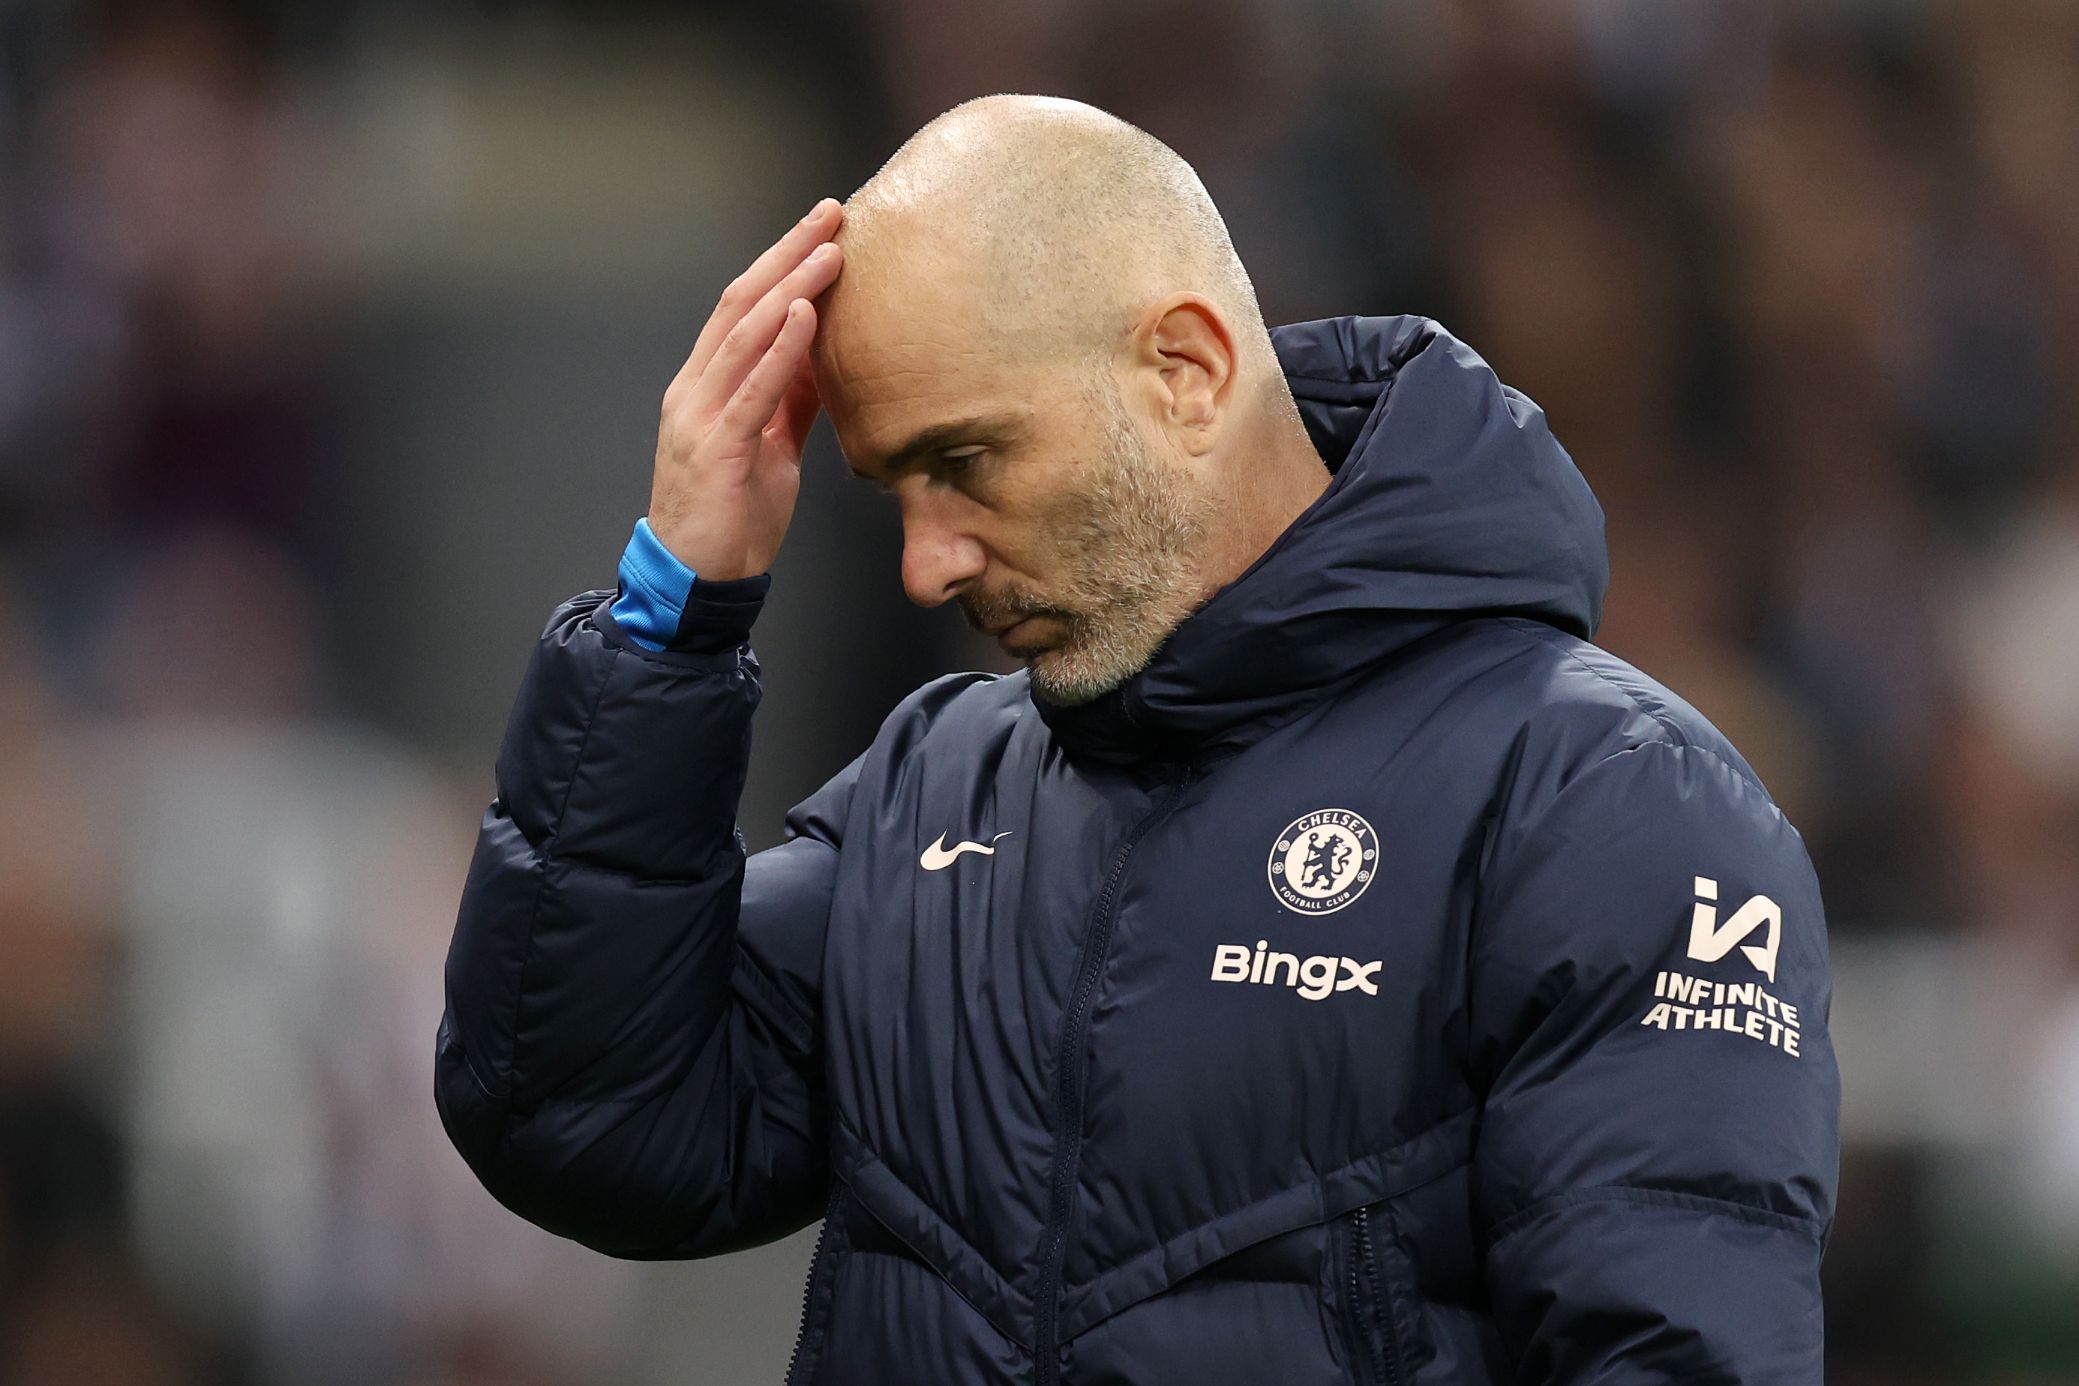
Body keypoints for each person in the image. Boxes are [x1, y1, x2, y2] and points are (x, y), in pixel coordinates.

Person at [435, 95, 1839, 1385]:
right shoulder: (935, 788)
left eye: (964, 462)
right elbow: (585, 1120)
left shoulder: (1609, 804)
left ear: (1184, 367)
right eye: (892, 490)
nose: (925, 562)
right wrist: (671, 614)